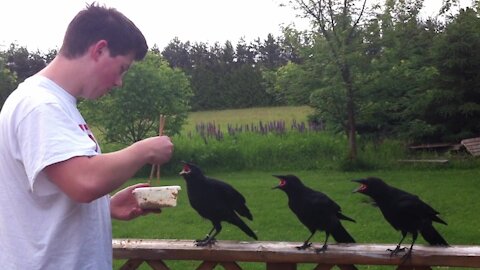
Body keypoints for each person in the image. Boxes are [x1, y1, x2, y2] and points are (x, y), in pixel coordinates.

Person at [0, 3, 173, 269]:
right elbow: (84, 181)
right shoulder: (40, 105)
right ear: (100, 49)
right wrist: (144, 150)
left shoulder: (57, 105)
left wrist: (108, 207)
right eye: (122, 68)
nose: (119, 82)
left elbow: (60, 190)